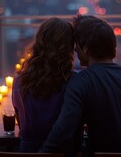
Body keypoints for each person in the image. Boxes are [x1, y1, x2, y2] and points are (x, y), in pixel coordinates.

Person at [41, 15, 121, 155]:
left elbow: (62, 133)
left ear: (85, 48)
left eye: (77, 46)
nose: (75, 51)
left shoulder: (80, 83)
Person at [12, 17, 76, 152]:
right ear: (69, 47)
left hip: (27, 152)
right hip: (62, 152)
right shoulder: (73, 82)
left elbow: (22, 124)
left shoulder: (19, 81)